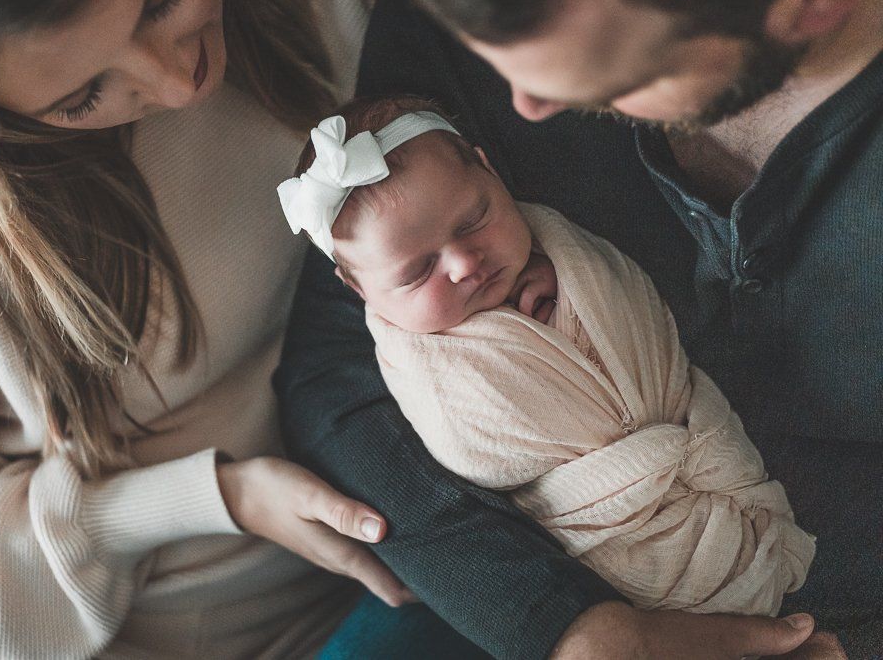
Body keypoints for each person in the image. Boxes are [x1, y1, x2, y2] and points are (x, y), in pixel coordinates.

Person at [0, 0, 492, 658]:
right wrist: (215, 496)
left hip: (436, 530)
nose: (179, 83)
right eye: (82, 96)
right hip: (136, 632)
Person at [275, 0, 882, 657]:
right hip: (554, 580)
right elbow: (332, 378)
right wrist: (564, 625)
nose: (526, 105)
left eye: (620, 74)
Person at [279, 95, 815, 616]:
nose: (466, 263)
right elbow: (478, 453)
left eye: (473, 222)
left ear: (490, 173)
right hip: (603, 514)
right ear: (359, 291)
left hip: (692, 428)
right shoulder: (425, 363)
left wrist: (566, 296)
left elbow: (631, 304)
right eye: (418, 273)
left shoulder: (556, 245)